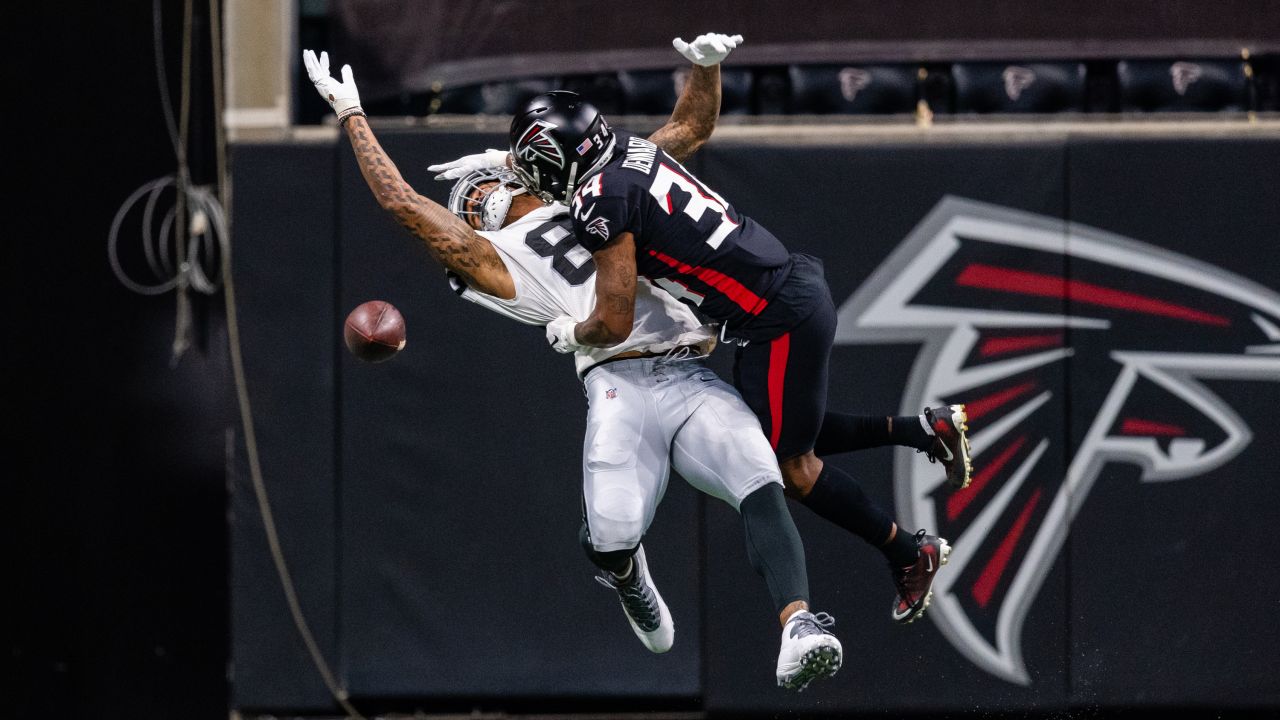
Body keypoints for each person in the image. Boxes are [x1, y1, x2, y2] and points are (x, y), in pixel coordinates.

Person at [303, 35, 843, 691]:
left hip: (686, 369)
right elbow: (403, 204)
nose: (479, 200)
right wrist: (354, 116)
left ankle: (798, 624)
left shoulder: (595, 190)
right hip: (621, 386)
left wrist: (704, 67)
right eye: (470, 204)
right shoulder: (494, 259)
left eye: (485, 188)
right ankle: (623, 572)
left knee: (759, 476)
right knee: (614, 528)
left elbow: (688, 129)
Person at [492, 63, 973, 625]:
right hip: (783, 295)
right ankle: (921, 431)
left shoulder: (601, 201)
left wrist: (570, 332)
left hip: (774, 319)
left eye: (534, 164)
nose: (528, 173)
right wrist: (706, 67)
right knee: (775, 429)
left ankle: (907, 551)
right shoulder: (626, 151)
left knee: (791, 466)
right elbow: (693, 126)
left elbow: (614, 321)